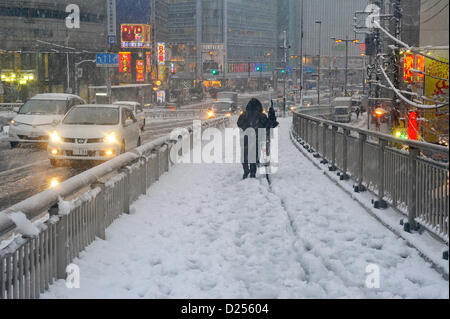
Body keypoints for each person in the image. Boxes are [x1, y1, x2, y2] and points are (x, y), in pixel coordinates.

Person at [237, 98, 278, 179]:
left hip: (245, 138)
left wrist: (246, 127)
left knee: (244, 155)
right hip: (256, 138)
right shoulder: (261, 116)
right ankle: (252, 173)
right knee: (253, 155)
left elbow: (239, 123)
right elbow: (269, 125)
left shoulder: (244, 115)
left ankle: (246, 171)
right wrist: (271, 115)